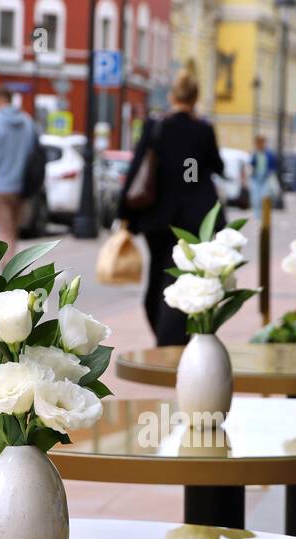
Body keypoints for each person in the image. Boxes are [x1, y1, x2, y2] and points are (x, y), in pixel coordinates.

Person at [120, 70, 225, 346]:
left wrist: (125, 215)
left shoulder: (156, 126)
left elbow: (137, 169)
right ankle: (178, 337)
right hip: (194, 220)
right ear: (196, 97)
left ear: (172, 96)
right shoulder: (203, 129)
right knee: (186, 276)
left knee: (158, 277)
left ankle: (165, 337)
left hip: (158, 219)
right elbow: (218, 166)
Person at [0, 86, 38, 257]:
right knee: (12, 232)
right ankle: (11, 269)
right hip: (21, 185)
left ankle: (6, 276)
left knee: (2, 232)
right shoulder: (27, 121)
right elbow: (34, 151)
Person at [248, 134, 278, 219]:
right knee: (255, 198)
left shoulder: (269, 154)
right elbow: (251, 165)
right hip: (255, 178)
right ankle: (257, 215)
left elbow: (274, 166)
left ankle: (265, 215)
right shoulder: (254, 153)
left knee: (265, 197)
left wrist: (270, 172)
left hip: (266, 178)